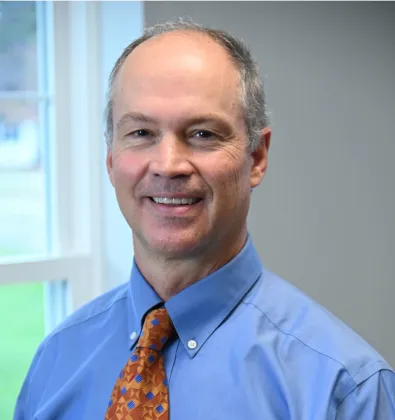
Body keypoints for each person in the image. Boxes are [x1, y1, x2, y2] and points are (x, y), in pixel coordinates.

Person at [14, 18, 395, 420]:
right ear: (111, 159)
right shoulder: (56, 360)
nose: (169, 165)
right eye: (142, 132)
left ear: (257, 158)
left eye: (203, 134)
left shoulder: (345, 389)